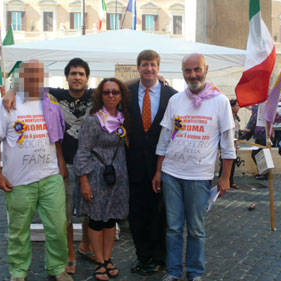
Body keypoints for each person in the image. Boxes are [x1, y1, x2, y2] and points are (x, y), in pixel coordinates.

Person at [3, 58, 95, 274]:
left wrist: (154, 78)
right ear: (67, 77)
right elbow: (28, 82)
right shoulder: (55, 95)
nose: (77, 77)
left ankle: (85, 245)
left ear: (87, 78)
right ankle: (69, 252)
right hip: (62, 164)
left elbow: (119, 85)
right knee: (64, 214)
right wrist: (11, 91)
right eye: (73, 73)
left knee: (89, 210)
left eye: (81, 73)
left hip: (89, 165)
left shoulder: (95, 96)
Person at [152, 53, 236, 281]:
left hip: (199, 177)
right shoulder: (176, 100)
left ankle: (196, 273)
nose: (192, 75)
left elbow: (228, 143)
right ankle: (172, 271)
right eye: (188, 71)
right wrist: (159, 171)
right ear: (183, 73)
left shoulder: (220, 102)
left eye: (196, 69)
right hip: (171, 174)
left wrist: (225, 177)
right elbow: (165, 137)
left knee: (197, 229)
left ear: (206, 69)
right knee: (173, 228)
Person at [0, 60, 72, 281]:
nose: (34, 79)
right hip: (18, 181)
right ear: (20, 78)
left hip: (50, 177)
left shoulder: (50, 101)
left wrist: (61, 165)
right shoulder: (7, 103)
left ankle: (57, 268)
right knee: (18, 231)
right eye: (29, 74)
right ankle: (18, 271)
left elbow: (56, 139)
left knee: (57, 227)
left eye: (38, 74)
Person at [126, 49, 177, 275]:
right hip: (133, 166)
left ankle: (160, 257)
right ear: (138, 68)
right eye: (144, 64)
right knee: (137, 215)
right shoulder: (125, 93)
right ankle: (142, 256)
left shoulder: (172, 96)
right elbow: (100, 92)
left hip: (162, 166)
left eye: (153, 65)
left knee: (160, 215)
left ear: (159, 67)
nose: (149, 69)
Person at [74, 78, 130, 281]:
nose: (111, 96)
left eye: (115, 92)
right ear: (100, 95)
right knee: (97, 220)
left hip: (117, 178)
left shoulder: (124, 119)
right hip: (96, 177)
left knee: (111, 220)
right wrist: (84, 181)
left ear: (121, 95)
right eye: (107, 92)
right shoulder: (93, 120)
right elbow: (82, 152)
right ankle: (98, 261)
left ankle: (107, 259)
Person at [220, 99, 241, 189]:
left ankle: (230, 181)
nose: (238, 107)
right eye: (237, 105)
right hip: (228, 143)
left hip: (235, 143)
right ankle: (224, 180)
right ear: (232, 107)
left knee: (232, 163)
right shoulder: (227, 117)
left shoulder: (236, 117)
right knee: (225, 163)